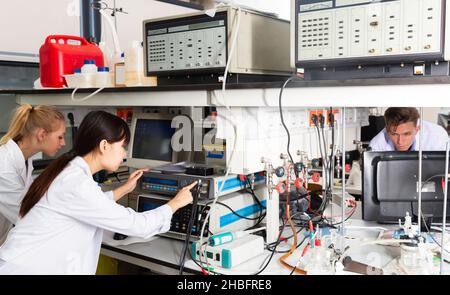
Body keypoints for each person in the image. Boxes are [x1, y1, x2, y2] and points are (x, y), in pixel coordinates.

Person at [0, 111, 194, 274]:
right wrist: (175, 204)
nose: (125, 153)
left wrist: (123, 189)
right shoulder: (76, 183)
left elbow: (88, 206)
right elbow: (137, 225)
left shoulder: (69, 171)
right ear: (104, 146)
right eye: (123, 146)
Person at [0, 104, 66, 245]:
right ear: (42, 134)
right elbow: (26, 215)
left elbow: (31, 199)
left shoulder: (25, 159)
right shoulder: (4, 167)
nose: (63, 142)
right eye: (60, 137)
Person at [369, 107, 449, 151]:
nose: (400, 141)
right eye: (394, 134)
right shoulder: (376, 146)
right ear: (387, 130)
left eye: (406, 134)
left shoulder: (438, 137)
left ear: (417, 129)